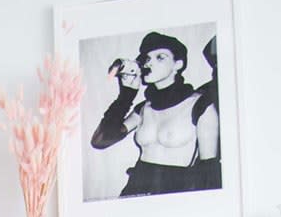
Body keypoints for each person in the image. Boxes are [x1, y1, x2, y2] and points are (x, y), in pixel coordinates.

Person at [91, 31, 221, 196]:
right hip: (134, 190)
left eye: (160, 57)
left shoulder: (200, 105)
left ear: (178, 65)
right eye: (147, 58)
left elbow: (209, 171)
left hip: (175, 194)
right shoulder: (144, 108)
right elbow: (100, 141)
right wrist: (126, 95)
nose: (150, 63)